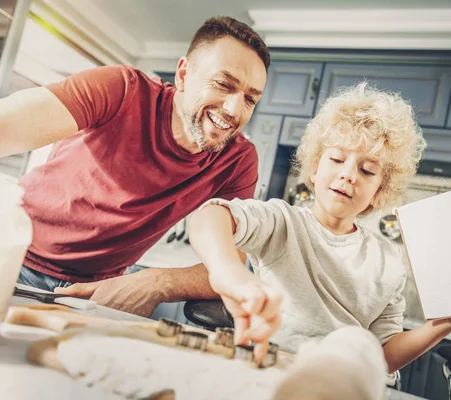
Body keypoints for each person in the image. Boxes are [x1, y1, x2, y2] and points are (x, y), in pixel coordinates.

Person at [188, 82, 451, 368]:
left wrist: (447, 322)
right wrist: (228, 271)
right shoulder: (282, 223)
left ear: (378, 192)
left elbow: (384, 354)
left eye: (368, 170)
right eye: (337, 159)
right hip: (277, 376)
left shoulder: (388, 260)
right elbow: (209, 216)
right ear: (315, 168)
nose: (348, 174)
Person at [0, 16, 276, 325]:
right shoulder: (122, 89)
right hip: (12, 257)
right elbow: (6, 125)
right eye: (223, 84)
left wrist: (156, 282)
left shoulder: (238, 160)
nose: (234, 110)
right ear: (184, 75)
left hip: (101, 292)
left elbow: (229, 261)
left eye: (250, 99)